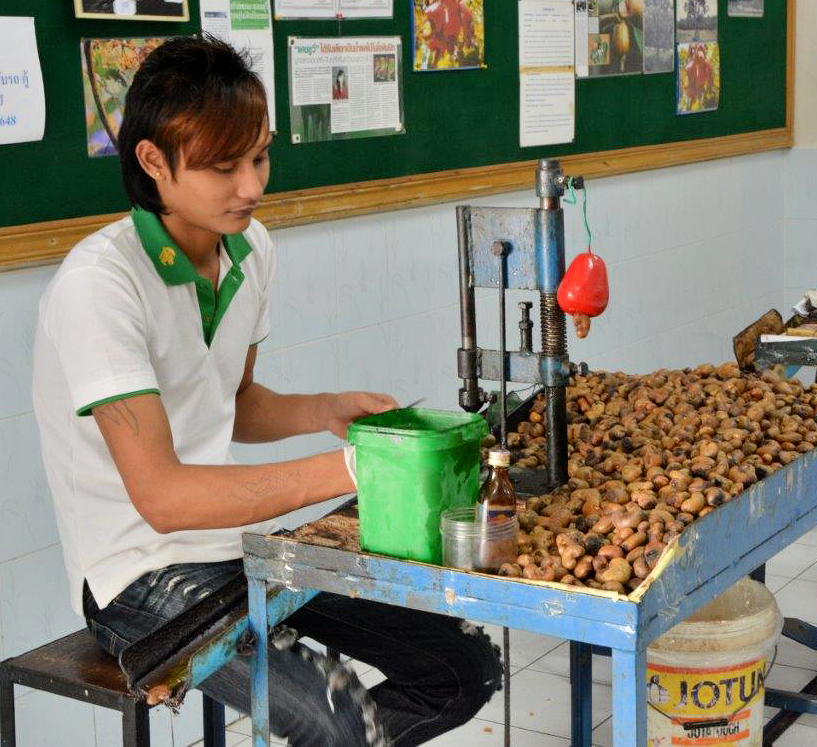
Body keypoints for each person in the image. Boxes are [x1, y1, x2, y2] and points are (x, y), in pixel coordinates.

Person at [32, 35, 501, 747]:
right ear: (153, 161)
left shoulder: (251, 251)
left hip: (229, 543)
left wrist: (325, 411)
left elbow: (234, 400)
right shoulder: (100, 286)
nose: (251, 186)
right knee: (338, 723)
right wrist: (352, 473)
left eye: (259, 156)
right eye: (223, 166)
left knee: (463, 666)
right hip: (133, 573)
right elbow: (161, 497)